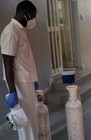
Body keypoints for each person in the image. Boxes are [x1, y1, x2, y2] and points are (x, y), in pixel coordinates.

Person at [0, 1, 38, 140]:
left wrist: (33, 79)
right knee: (26, 122)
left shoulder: (20, 30)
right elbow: (7, 62)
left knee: (31, 118)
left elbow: (24, 58)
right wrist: (12, 91)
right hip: (19, 83)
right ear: (25, 14)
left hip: (26, 81)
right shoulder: (11, 31)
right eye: (32, 16)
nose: (33, 20)